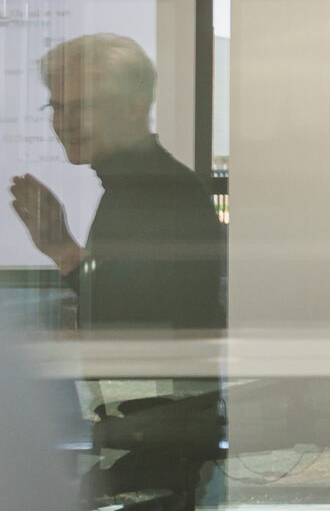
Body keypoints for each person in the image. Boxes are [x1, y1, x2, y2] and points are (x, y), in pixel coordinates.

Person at [10, 32, 224, 332]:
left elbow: (148, 322)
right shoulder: (136, 184)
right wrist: (61, 249)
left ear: (134, 107)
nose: (64, 123)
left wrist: (66, 251)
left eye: (81, 107)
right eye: (57, 107)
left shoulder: (161, 192)